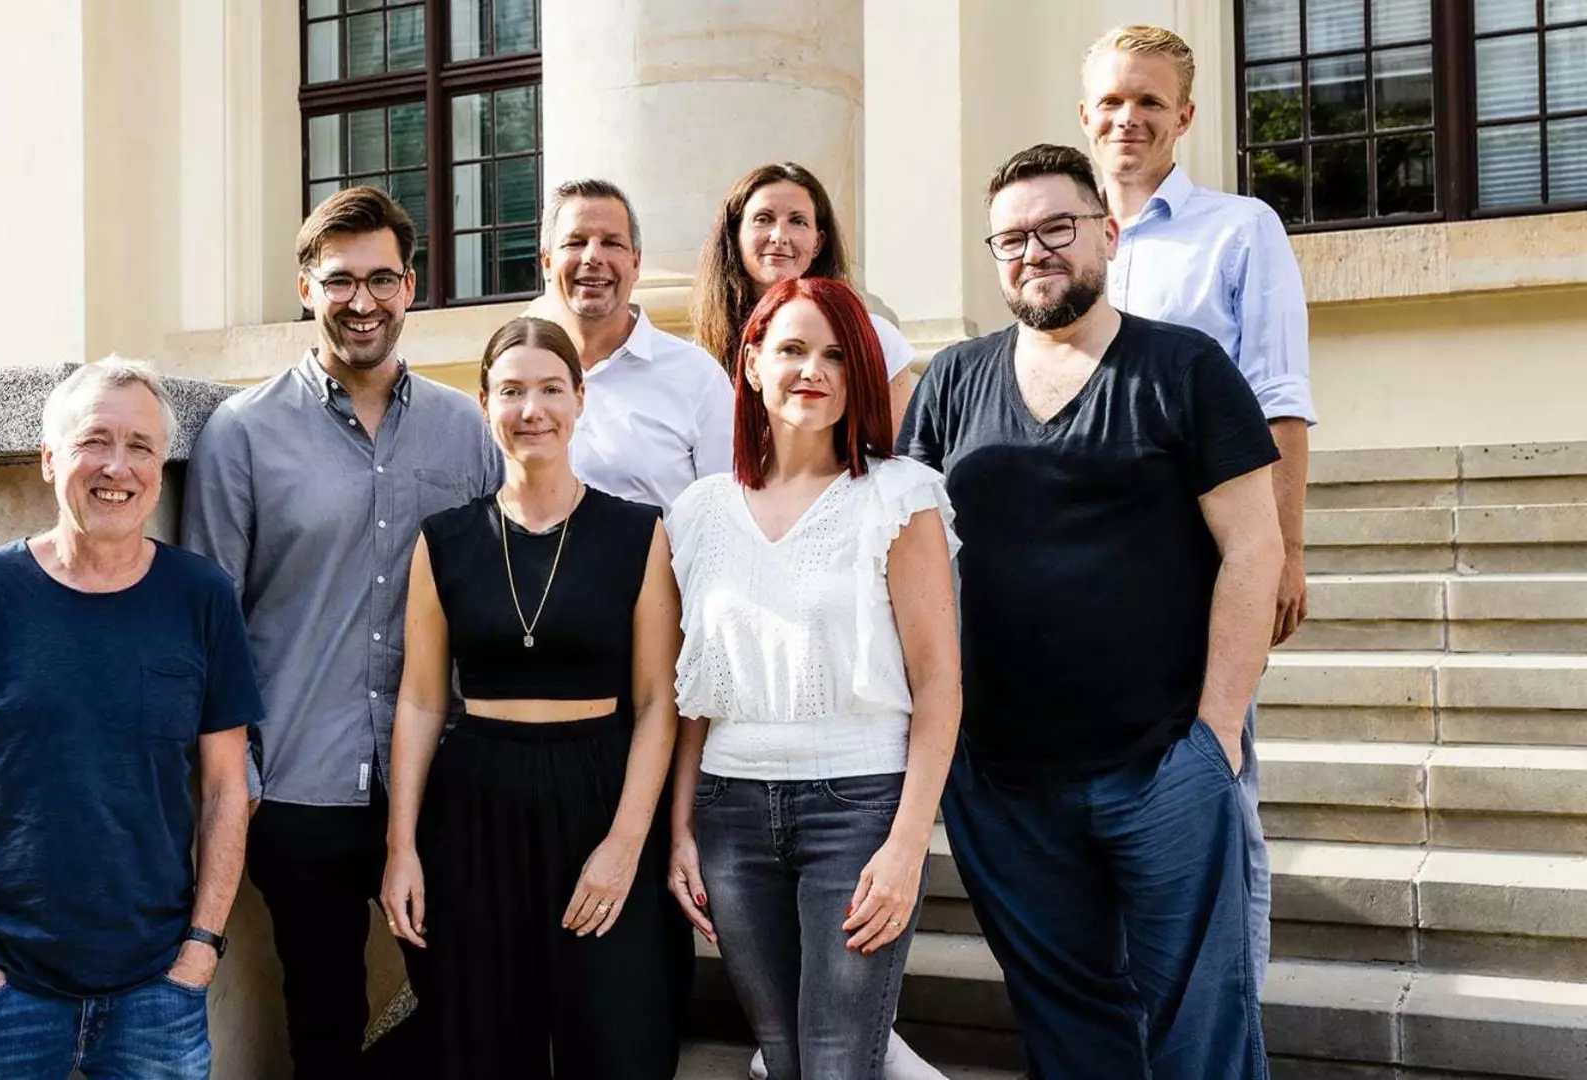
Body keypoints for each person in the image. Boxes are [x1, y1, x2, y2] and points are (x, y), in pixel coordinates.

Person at [900, 144, 1282, 1078]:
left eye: (1056, 228)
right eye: (1011, 239)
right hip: (1002, 784)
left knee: (1202, 1030)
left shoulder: (1183, 367)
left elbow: (1254, 548)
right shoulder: (952, 383)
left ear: (1108, 233)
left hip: (1162, 767)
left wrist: (1215, 737)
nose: (1034, 251)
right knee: (1067, 1030)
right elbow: (907, 560)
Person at [181, 186, 504, 1078]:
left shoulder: (464, 429)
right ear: (305, 287)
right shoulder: (240, 435)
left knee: (471, 1001)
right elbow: (209, 620)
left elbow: (486, 600)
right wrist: (234, 774)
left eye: (381, 280)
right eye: (340, 282)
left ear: (411, 286)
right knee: (322, 1014)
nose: (361, 301)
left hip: (438, 779)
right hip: (296, 787)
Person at [0, 359, 260, 1079]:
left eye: (141, 446)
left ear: (161, 466)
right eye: (95, 440)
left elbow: (227, 788)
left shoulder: (201, 597)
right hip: (2, 990)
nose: (117, 467)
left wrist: (200, 951)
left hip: (157, 990)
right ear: (48, 458)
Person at [667, 277, 962, 1080]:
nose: (813, 370)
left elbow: (940, 686)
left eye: (837, 355)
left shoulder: (900, 497)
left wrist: (907, 847)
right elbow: (697, 690)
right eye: (792, 349)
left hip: (858, 808)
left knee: (839, 1063)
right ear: (752, 363)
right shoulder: (695, 512)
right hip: (731, 817)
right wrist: (681, 828)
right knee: (787, 1060)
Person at [379, 316, 682, 1079]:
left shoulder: (639, 534)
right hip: (476, 804)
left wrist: (624, 845)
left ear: (581, 400)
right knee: (482, 1044)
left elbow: (657, 704)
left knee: (618, 1042)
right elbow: (420, 702)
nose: (532, 409)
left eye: (551, 389)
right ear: (484, 404)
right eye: (511, 391)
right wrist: (402, 847)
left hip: (603, 795)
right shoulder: (443, 539)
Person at [1079, 23, 1317, 985]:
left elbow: (1280, 401)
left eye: (1148, 101)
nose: (1127, 118)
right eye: (1110, 102)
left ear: (1184, 114)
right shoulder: (1064, 238)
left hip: (1208, 568)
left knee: (1216, 796)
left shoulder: (1239, 228)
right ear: (1085, 117)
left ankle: (1231, 1016)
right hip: (1091, 576)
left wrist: (1288, 552)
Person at [529, 177, 736, 514]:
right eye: (576, 242)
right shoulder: (513, 379)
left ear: (636, 262)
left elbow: (728, 520)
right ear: (547, 262)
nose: (593, 256)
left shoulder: (697, 377)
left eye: (612, 243)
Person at [693, 162, 919, 429]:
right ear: (735, 236)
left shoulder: (876, 338)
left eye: (798, 221)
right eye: (763, 219)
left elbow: (900, 455)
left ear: (818, 243)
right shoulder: (700, 357)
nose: (779, 236)